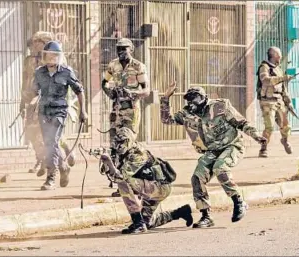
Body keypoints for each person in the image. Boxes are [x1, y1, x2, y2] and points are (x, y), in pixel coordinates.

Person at [160, 84, 267, 228]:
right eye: (189, 100)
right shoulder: (187, 114)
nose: (191, 103)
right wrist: (166, 98)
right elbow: (166, 120)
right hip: (211, 151)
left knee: (220, 168)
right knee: (197, 178)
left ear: (203, 98)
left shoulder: (220, 106)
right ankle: (206, 216)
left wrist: (256, 136)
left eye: (194, 99)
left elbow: (241, 123)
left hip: (232, 145)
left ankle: (239, 202)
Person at [100, 127, 193, 234]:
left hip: (160, 187)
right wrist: (107, 162)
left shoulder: (138, 154)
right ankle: (180, 212)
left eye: (122, 142)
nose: (119, 145)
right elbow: (110, 172)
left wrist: (109, 162)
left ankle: (138, 224)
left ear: (128, 141)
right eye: (117, 142)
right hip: (152, 186)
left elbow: (120, 176)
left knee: (123, 183)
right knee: (148, 222)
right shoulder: (124, 152)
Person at [32, 41, 87, 190]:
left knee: (52, 142)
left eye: (54, 55)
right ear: (44, 56)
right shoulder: (39, 72)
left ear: (59, 56)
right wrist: (30, 101)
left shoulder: (67, 72)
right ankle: (64, 167)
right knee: (49, 143)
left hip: (59, 112)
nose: (51, 58)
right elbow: (34, 91)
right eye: (48, 55)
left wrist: (83, 111)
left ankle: (51, 178)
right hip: (44, 112)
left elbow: (79, 90)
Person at [20, 31, 76, 176]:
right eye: (35, 42)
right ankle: (44, 160)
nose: (36, 45)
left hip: (51, 103)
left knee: (50, 135)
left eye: (40, 41)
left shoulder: (57, 60)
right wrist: (23, 101)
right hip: (32, 101)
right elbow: (25, 81)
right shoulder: (29, 60)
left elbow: (65, 83)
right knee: (33, 133)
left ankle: (56, 163)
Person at [101, 38, 150, 196]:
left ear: (131, 49)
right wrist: (109, 92)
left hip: (131, 111)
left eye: (124, 49)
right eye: (118, 49)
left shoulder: (138, 66)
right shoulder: (113, 65)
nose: (121, 52)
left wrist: (134, 94)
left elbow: (146, 90)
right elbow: (104, 82)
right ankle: (119, 182)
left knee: (126, 145)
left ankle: (131, 182)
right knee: (115, 146)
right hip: (116, 111)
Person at [256, 46, 295, 158]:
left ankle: (285, 140)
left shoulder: (278, 69)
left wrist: (288, 102)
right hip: (267, 102)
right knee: (270, 126)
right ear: (274, 56)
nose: (281, 57)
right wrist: (282, 78)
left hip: (279, 101)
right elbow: (265, 80)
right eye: (279, 55)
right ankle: (263, 149)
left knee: (285, 125)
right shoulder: (264, 67)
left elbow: (283, 89)